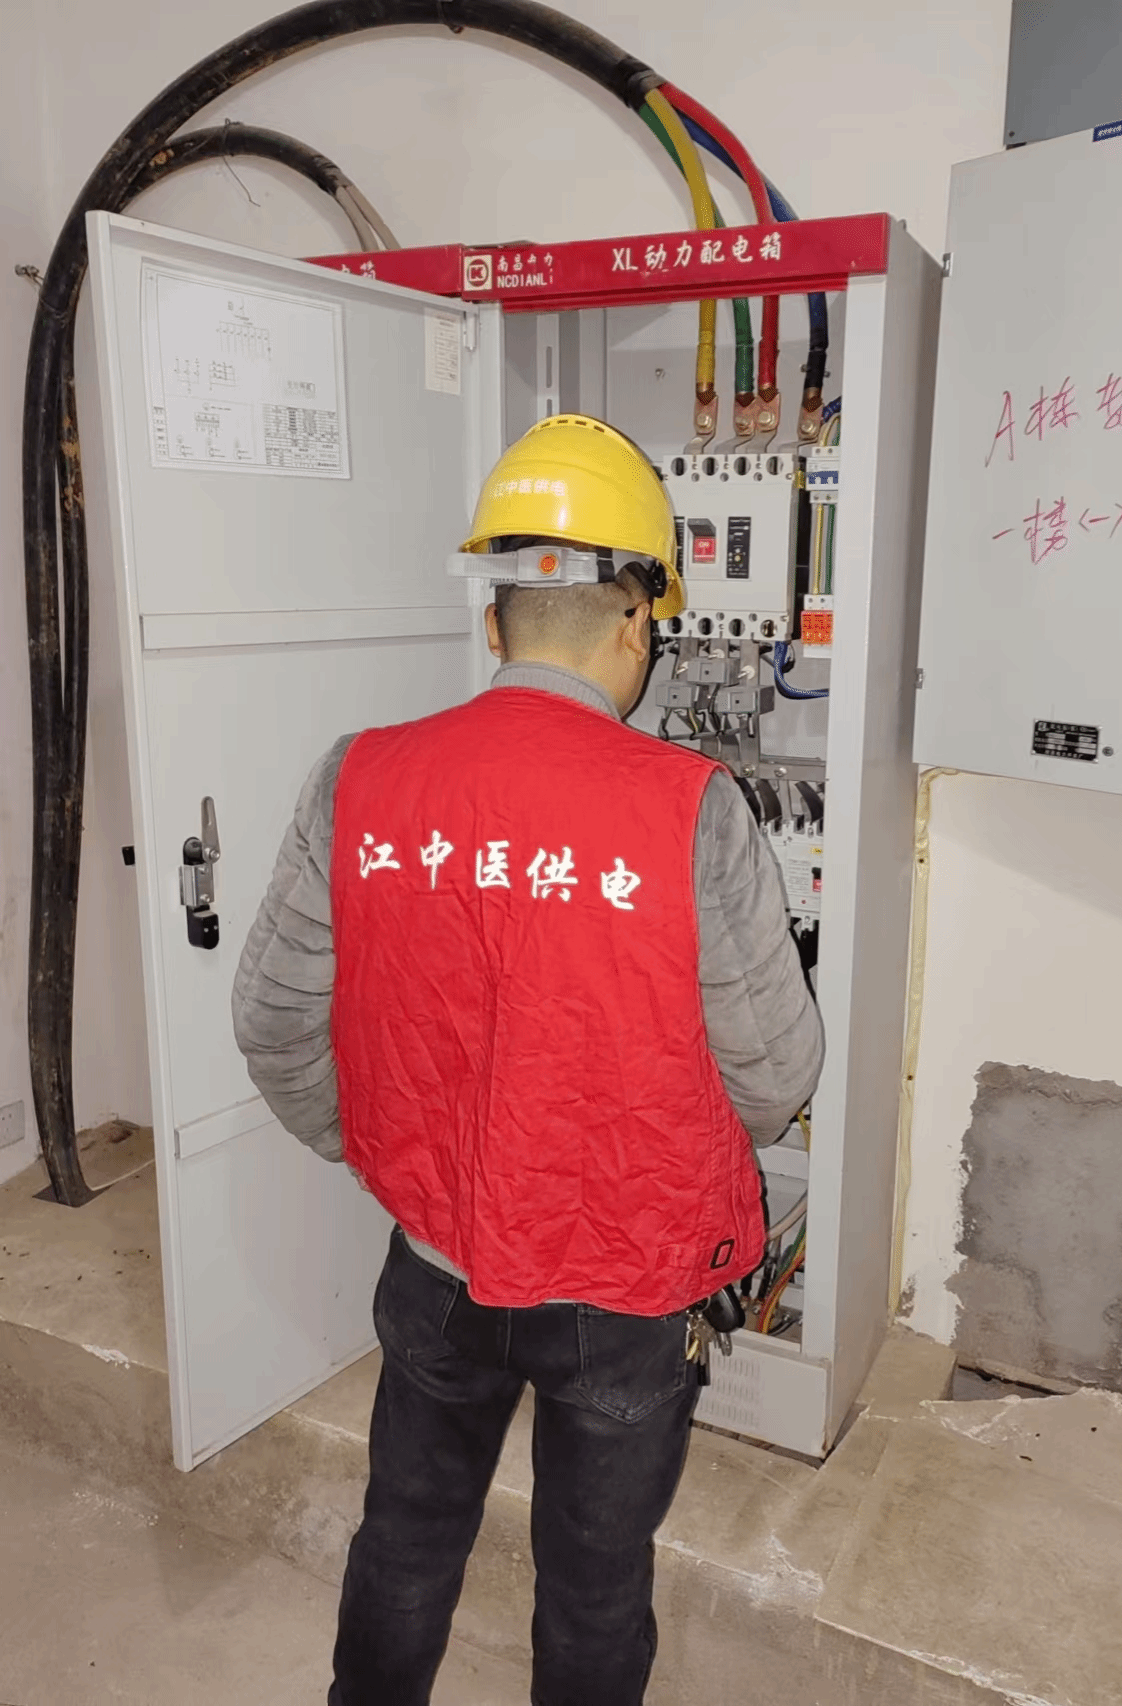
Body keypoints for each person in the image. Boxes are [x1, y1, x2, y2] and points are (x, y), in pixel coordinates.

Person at [231, 413, 823, 1706]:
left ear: (494, 620)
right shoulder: (692, 810)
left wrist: (387, 1151)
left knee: (405, 1537)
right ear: (637, 621)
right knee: (594, 1587)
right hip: (624, 1287)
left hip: (436, 1263)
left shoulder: (360, 778)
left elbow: (273, 1023)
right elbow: (779, 1075)